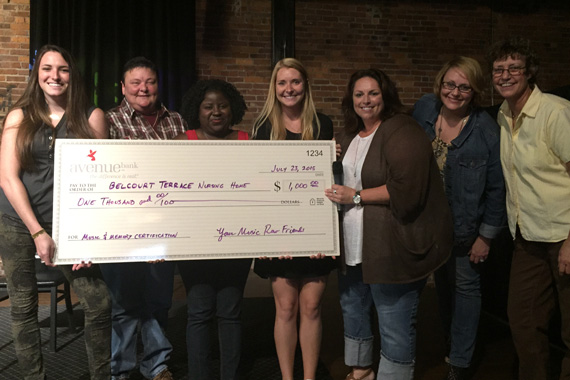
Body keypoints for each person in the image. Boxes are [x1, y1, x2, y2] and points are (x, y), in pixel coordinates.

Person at [325, 68, 453, 380]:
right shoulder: (350, 135)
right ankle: (362, 369)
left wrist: (355, 196)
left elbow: (406, 190)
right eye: (359, 94)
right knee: (353, 310)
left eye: (373, 93)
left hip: (392, 248)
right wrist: (328, 154)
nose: (365, 100)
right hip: (354, 247)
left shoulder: (403, 130)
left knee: (394, 323)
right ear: (350, 99)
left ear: (386, 96)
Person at [0, 44, 111, 380]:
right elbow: (8, 176)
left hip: (71, 224)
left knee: (99, 302)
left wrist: (86, 239)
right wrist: (37, 232)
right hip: (17, 223)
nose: (55, 76)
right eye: (47, 68)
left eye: (62, 69)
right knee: (22, 307)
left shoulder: (92, 117)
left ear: (71, 74)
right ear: (37, 74)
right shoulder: (19, 116)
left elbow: (100, 181)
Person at [412, 57, 506, 380]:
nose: (455, 92)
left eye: (464, 87)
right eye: (449, 84)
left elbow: (497, 190)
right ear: (440, 85)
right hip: (433, 229)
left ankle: (461, 363)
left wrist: (486, 237)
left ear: (475, 91)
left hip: (467, 234)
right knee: (443, 291)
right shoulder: (425, 110)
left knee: (466, 293)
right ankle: (452, 347)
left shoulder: (486, 132)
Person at [488, 37, 570, 380]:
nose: (505, 75)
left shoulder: (555, 111)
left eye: (513, 68)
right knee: (523, 320)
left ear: (529, 72)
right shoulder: (504, 114)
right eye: (498, 69)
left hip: (563, 235)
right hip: (527, 236)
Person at [100, 57, 187, 380]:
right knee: (123, 305)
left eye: (149, 81)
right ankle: (120, 368)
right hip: (122, 227)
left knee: (158, 300)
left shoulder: (176, 122)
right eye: (135, 82)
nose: (143, 88)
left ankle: (156, 363)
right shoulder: (108, 122)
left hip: (164, 227)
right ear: (123, 88)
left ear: (158, 85)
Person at [251, 57, 336, 380]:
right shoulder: (263, 128)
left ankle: (310, 376)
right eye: (282, 83)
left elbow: (328, 180)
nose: (289, 89)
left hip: (315, 233)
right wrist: (268, 237)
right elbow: (259, 186)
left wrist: (335, 158)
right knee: (285, 308)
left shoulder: (323, 124)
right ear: (274, 88)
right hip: (279, 236)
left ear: (306, 85)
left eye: (295, 82)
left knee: (312, 308)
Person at [174, 79, 251, 380]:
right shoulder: (183, 141)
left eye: (222, 105)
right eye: (208, 106)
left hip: (236, 243)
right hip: (196, 246)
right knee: (199, 312)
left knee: (230, 313)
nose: (216, 111)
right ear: (198, 110)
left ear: (233, 109)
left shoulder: (249, 142)